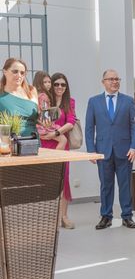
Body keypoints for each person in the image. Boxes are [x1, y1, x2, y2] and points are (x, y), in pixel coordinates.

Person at [85, 69, 135, 229]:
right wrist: (91, 150)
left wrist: (134, 147)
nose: (115, 82)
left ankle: (127, 216)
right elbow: (89, 128)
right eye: (111, 79)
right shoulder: (93, 101)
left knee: (125, 185)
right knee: (105, 185)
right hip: (103, 150)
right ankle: (106, 216)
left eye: (117, 79)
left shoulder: (128, 101)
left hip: (125, 150)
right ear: (103, 82)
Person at [48, 72, 78, 229]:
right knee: (48, 180)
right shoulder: (46, 101)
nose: (60, 87)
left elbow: (71, 122)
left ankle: (64, 216)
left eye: (63, 84)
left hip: (61, 144)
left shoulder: (69, 102)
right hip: (46, 144)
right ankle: (50, 217)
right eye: (56, 84)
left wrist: (57, 133)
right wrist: (49, 134)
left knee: (63, 180)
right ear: (52, 85)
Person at [0, 58, 39, 138]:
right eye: (15, 72)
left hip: (32, 141)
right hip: (7, 144)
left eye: (22, 73)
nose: (19, 75)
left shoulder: (32, 91)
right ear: (5, 71)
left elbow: (37, 118)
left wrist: (46, 121)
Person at [33, 71, 66, 149]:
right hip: (44, 126)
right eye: (45, 82)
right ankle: (57, 158)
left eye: (49, 82)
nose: (48, 84)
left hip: (39, 126)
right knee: (63, 140)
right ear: (39, 83)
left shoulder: (37, 94)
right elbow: (45, 112)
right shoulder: (44, 96)